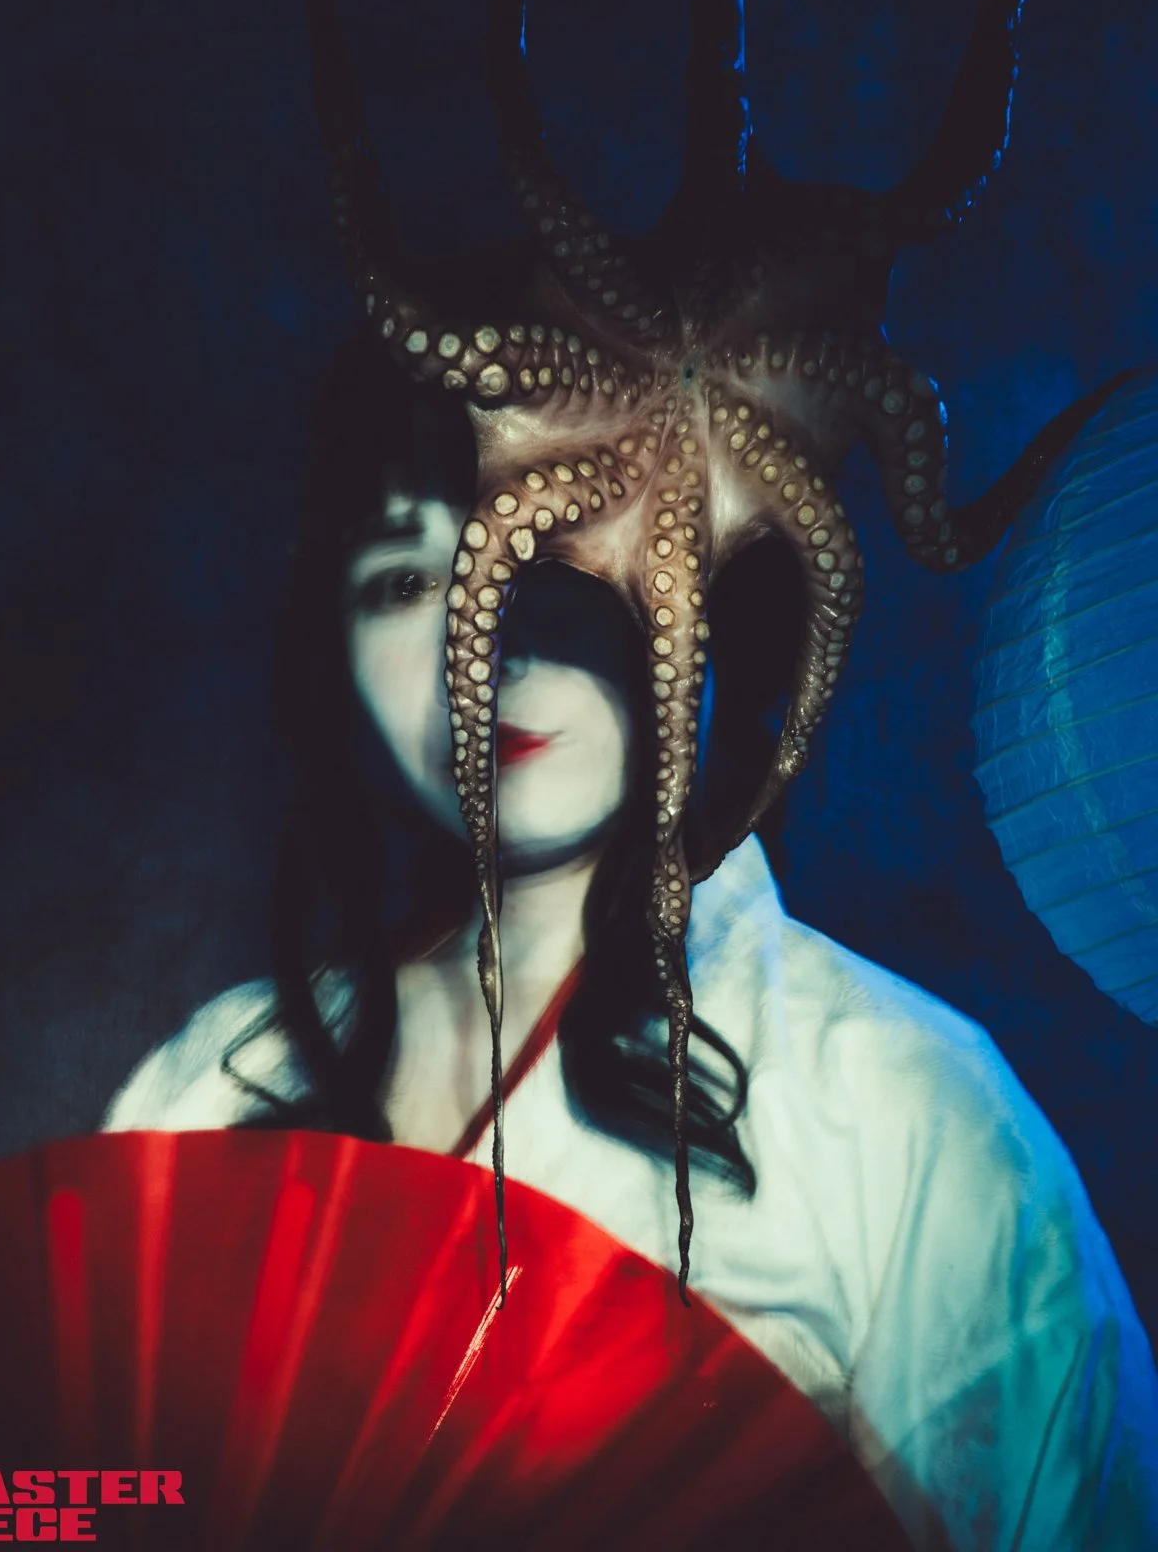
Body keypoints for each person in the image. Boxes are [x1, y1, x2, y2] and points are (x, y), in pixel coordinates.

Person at [105, 334, 1158, 1548]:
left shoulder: (903, 1108)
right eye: (403, 581)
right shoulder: (210, 1083)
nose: (477, 638)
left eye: (552, 548)